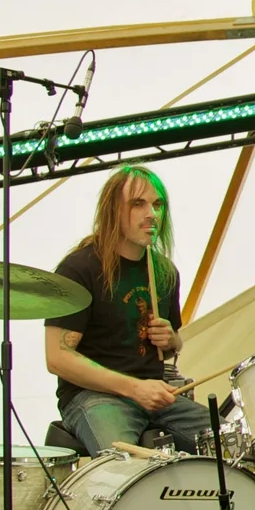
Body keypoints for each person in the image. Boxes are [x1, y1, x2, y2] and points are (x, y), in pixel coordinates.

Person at [44, 168, 203, 455]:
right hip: (95, 397)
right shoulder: (79, 269)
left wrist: (171, 341)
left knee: (232, 446)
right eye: (138, 204)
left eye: (157, 205)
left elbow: (170, 347)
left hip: (156, 392)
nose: (151, 214)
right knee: (123, 467)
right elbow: (57, 358)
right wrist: (133, 389)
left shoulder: (164, 272)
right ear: (113, 210)